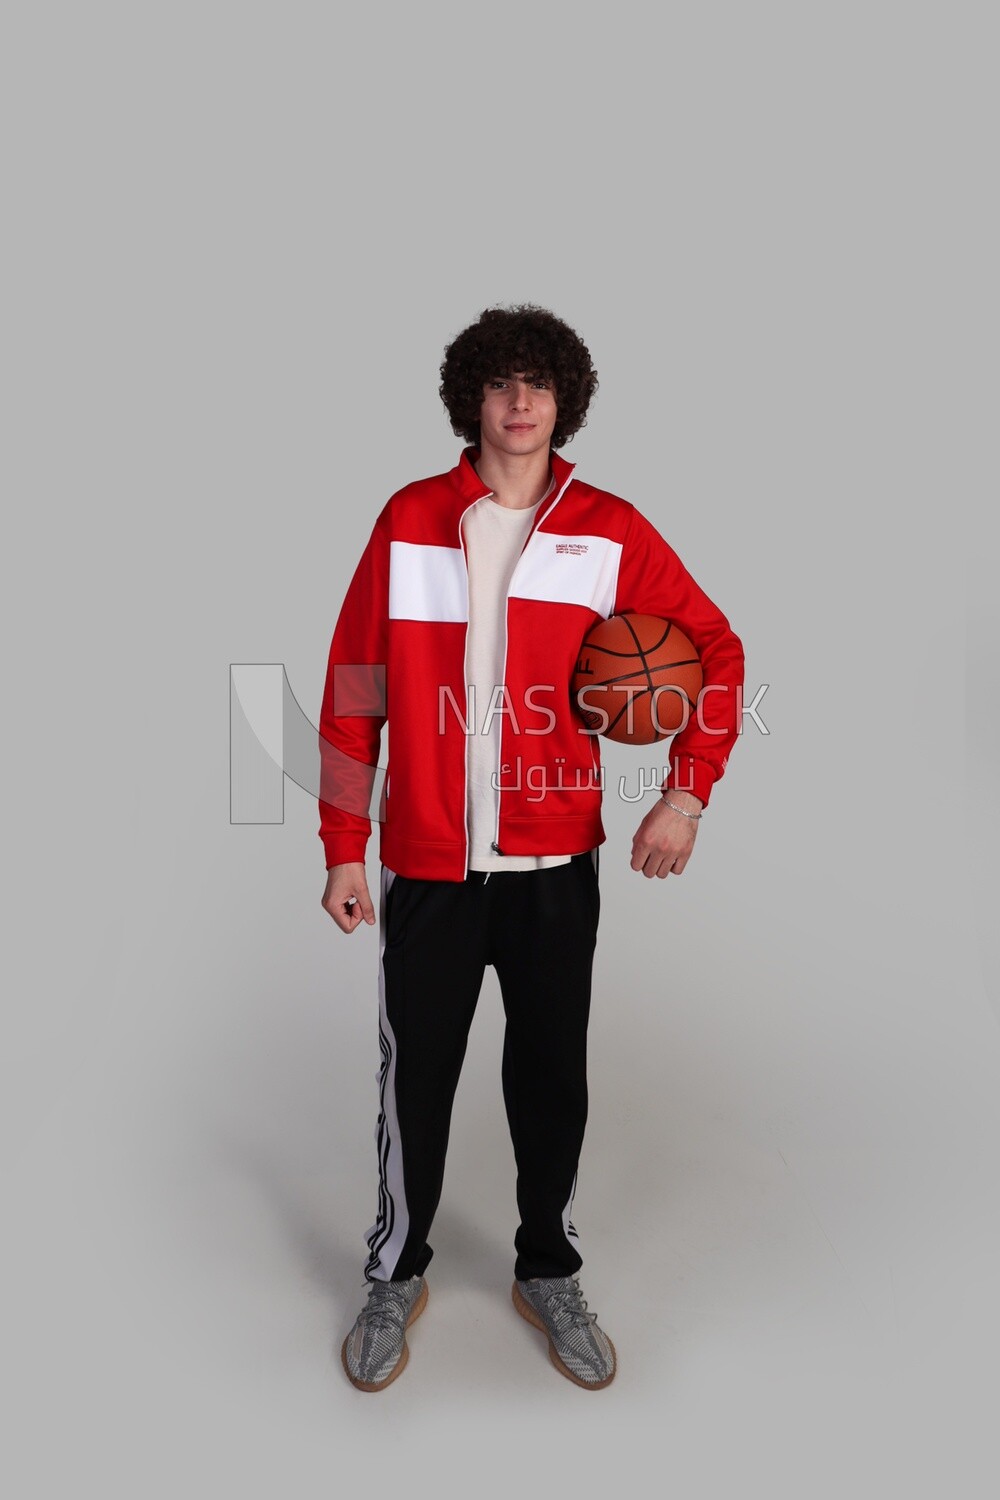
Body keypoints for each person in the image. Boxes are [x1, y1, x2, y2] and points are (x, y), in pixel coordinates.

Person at [318, 304, 744, 1392]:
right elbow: (353, 687)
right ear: (473, 398)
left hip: (556, 865)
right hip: (429, 868)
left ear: (565, 401)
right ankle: (395, 1270)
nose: (519, 405)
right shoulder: (411, 517)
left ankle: (546, 1266)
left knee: (552, 1078)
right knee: (416, 1083)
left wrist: (683, 796)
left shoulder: (610, 529)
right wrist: (342, 843)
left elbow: (712, 648)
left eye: (539, 386)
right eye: (502, 384)